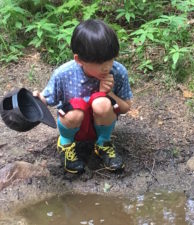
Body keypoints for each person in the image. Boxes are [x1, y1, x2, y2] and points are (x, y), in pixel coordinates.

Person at [34, 19, 133, 174]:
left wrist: (109, 94)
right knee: (76, 108)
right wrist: (36, 100)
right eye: (99, 63)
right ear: (79, 60)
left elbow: (126, 108)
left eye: (110, 60)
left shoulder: (118, 72)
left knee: (102, 102)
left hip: (102, 124)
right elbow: (47, 99)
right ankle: (65, 144)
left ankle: (103, 144)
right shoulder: (64, 73)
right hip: (73, 124)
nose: (107, 67)